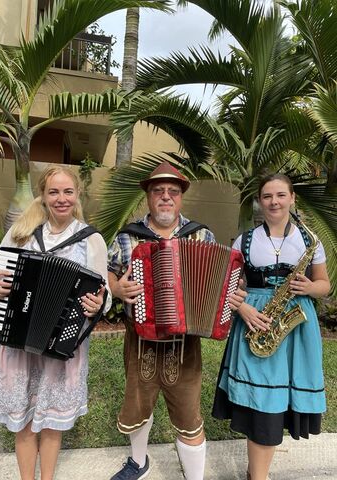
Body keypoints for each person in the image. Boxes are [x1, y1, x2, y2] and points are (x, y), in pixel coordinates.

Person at [107, 161, 246, 480]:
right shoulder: (129, 236)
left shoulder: (200, 235)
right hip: (139, 339)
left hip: (185, 344)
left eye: (172, 191)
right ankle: (138, 462)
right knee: (139, 405)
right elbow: (110, 274)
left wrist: (231, 298)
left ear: (181, 197)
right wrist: (117, 287)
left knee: (187, 411)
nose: (165, 197)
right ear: (148, 197)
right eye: (158, 191)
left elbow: (224, 282)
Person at [0, 165, 111, 480]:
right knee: (22, 416)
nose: (61, 198)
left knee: (51, 420)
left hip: (61, 344)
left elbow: (104, 295)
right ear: (44, 195)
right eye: (53, 192)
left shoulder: (91, 241)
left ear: (78, 194)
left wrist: (96, 305)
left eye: (67, 191)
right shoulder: (22, 230)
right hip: (16, 342)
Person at [212, 173, 330, 480]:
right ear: (259, 202)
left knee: (277, 405)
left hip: (295, 330)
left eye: (280, 195)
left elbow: (325, 286)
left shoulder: (310, 240)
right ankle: (259, 476)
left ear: (292, 199)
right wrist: (244, 308)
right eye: (267, 196)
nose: (274, 201)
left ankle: (257, 472)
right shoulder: (246, 240)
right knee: (263, 405)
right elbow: (226, 287)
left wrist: (309, 288)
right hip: (256, 324)